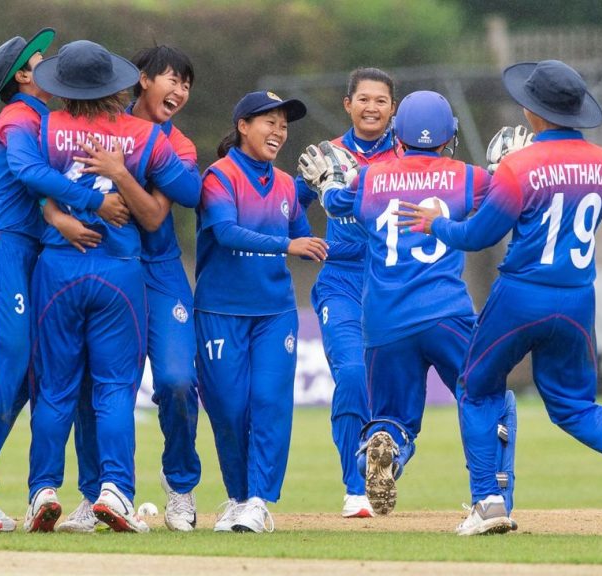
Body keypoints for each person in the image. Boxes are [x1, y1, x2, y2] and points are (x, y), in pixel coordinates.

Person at [395, 60, 602, 535]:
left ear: (532, 111)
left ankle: (488, 502)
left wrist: (436, 223)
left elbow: (478, 236)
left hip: (522, 295)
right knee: (574, 405)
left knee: (476, 388)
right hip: (578, 299)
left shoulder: (518, 167)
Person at [0, 28, 130, 532]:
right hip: (0, 247)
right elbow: (25, 170)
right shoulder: (19, 115)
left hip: (23, 253)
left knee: (20, 375)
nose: (51, 64)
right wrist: (92, 202)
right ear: (23, 75)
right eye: (41, 59)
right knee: (2, 363)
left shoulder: (46, 119)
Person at [24, 39, 200, 533]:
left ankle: (177, 485)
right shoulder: (138, 134)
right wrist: (57, 215)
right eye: (173, 79)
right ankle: (100, 492)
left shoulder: (175, 143)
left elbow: (158, 214)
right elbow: (190, 192)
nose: (180, 91)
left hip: (150, 269)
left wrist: (113, 177)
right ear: (138, 80)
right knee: (102, 387)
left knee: (175, 381)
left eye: (187, 85)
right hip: (118, 267)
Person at [311, 90, 515, 517]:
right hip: (446, 313)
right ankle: (494, 497)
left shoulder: (370, 178)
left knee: (391, 417)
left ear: (397, 134)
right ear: (448, 138)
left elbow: (335, 202)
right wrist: (508, 168)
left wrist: (329, 183)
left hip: (384, 321)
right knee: (488, 396)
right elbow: (506, 200)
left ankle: (386, 449)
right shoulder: (466, 176)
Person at [195, 91, 328, 533]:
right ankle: (237, 498)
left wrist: (339, 207)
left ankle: (257, 501)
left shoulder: (287, 184)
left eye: (283, 125)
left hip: (274, 312)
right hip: (220, 310)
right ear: (243, 126)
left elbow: (308, 243)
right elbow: (226, 232)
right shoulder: (220, 176)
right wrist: (287, 244)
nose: (279, 131)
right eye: (269, 122)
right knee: (228, 408)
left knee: (269, 403)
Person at [294, 68, 400, 518]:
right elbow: (290, 203)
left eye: (381, 100)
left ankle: (385, 467)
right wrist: (305, 241)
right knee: (353, 376)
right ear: (347, 104)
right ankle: (356, 488)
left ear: (393, 108)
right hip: (341, 282)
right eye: (363, 99)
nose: (371, 107)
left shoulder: (408, 157)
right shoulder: (325, 156)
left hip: (395, 284)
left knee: (392, 391)